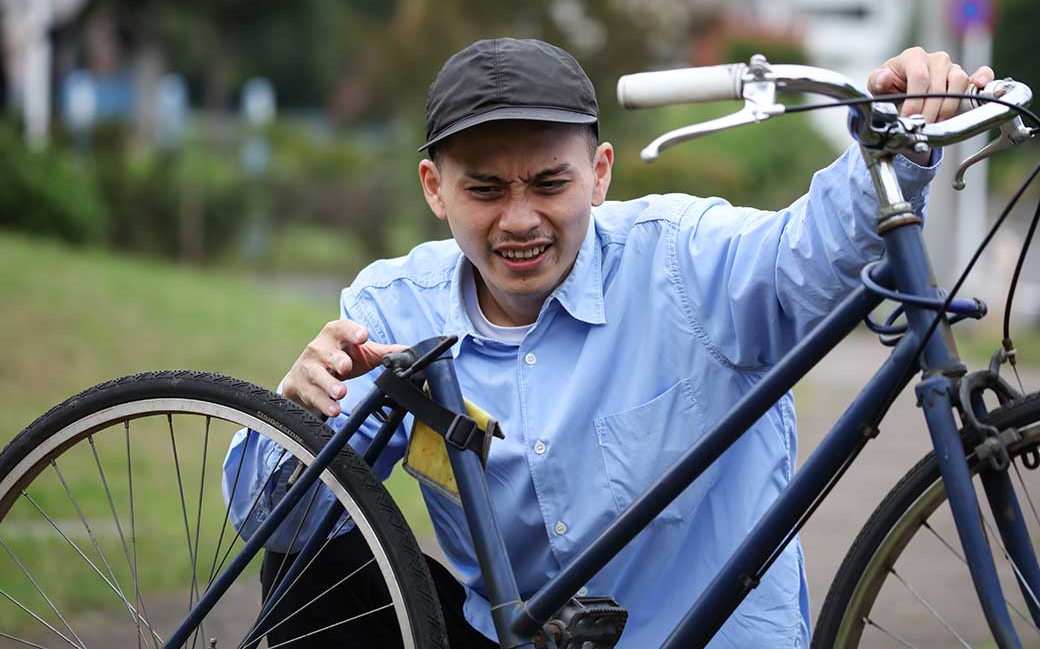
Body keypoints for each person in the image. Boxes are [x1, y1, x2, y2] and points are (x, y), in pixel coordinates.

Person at [224, 37, 993, 648]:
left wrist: (900, 145)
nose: (519, 220)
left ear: (599, 174)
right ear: (435, 189)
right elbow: (281, 529)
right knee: (317, 564)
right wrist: (298, 420)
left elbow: (812, 253)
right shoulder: (394, 306)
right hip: (504, 639)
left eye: (549, 185)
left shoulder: (686, 260)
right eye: (485, 190)